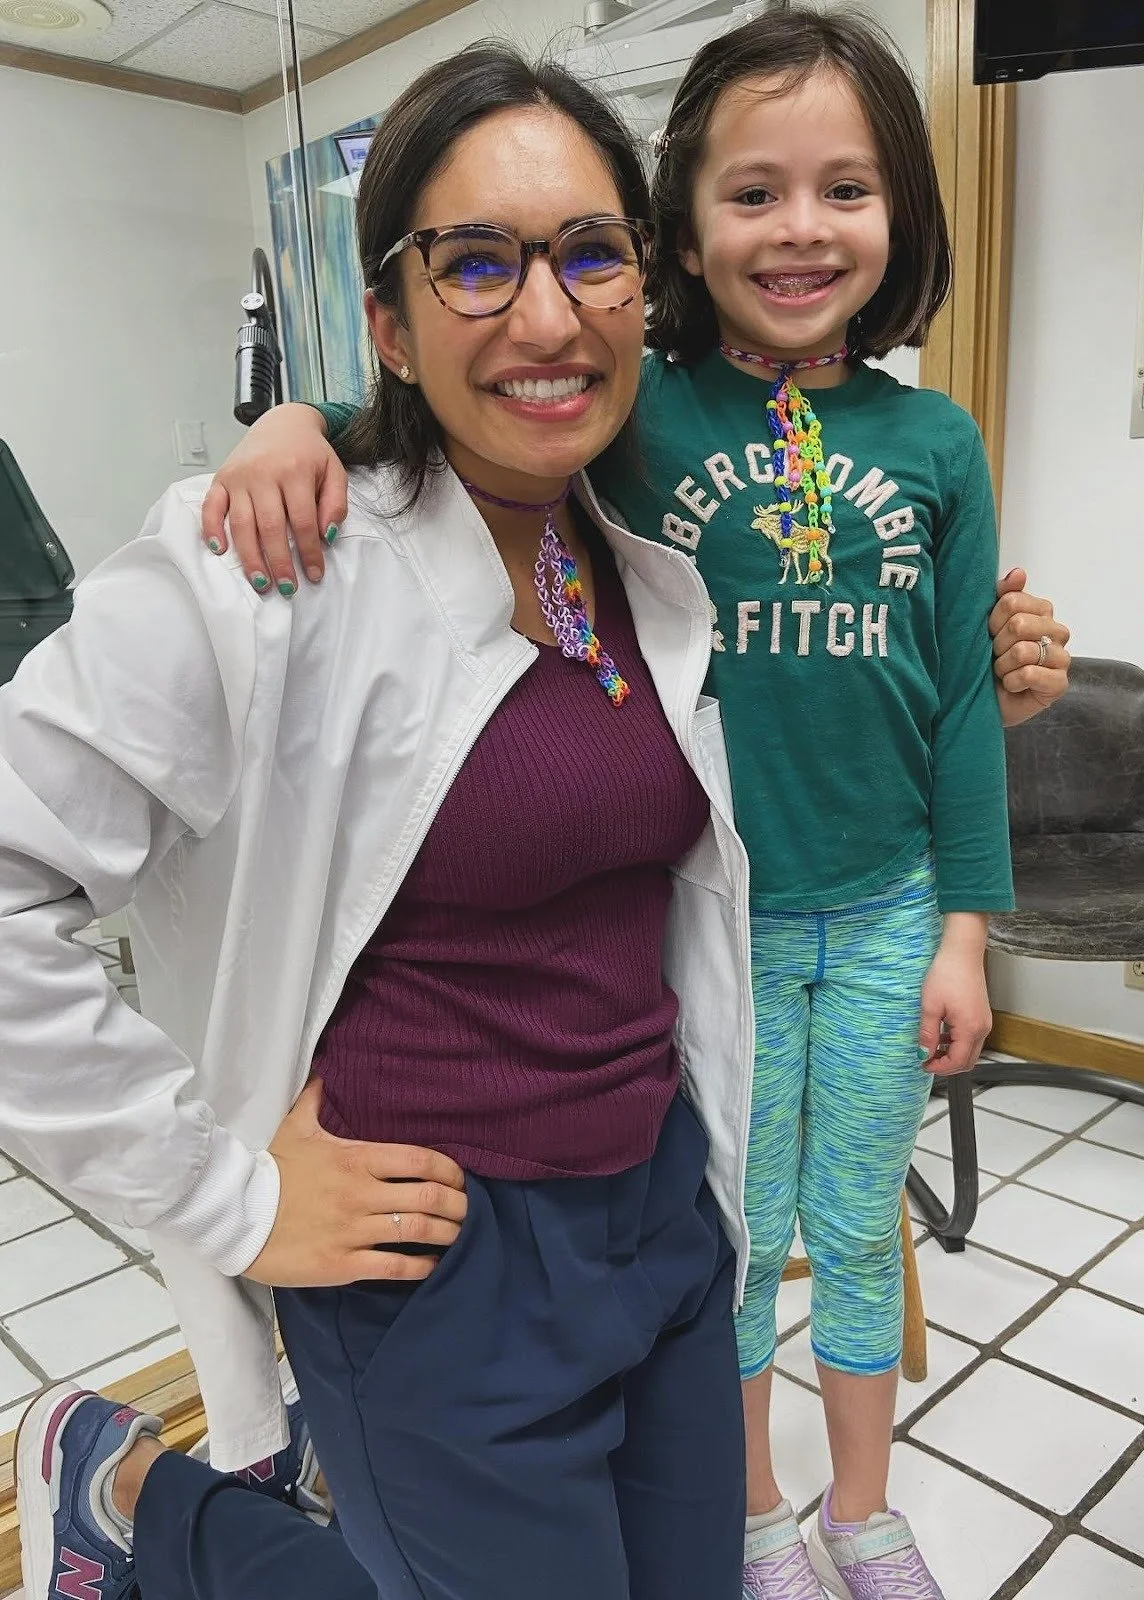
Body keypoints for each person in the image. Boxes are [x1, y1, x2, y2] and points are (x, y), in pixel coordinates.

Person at [204, 12, 1073, 1600]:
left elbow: (959, 703)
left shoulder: (938, 441)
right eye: (753, 194)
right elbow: (439, 423)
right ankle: (744, 1515)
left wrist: (966, 926)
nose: (801, 230)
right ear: (676, 230)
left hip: (885, 913)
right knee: (732, 1233)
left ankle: (859, 1512)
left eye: (846, 191)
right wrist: (284, 422)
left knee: (861, 1226)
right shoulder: (636, 401)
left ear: (905, 216)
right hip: (718, 915)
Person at [5, 43, 756, 1600]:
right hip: (442, 1273)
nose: (546, 315)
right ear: (392, 324)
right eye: (474, 261)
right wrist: (232, 1199)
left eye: (590, 253)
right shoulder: (260, 566)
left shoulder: (637, 563)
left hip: (666, 1226)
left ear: (643, 290)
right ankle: (146, 1508)